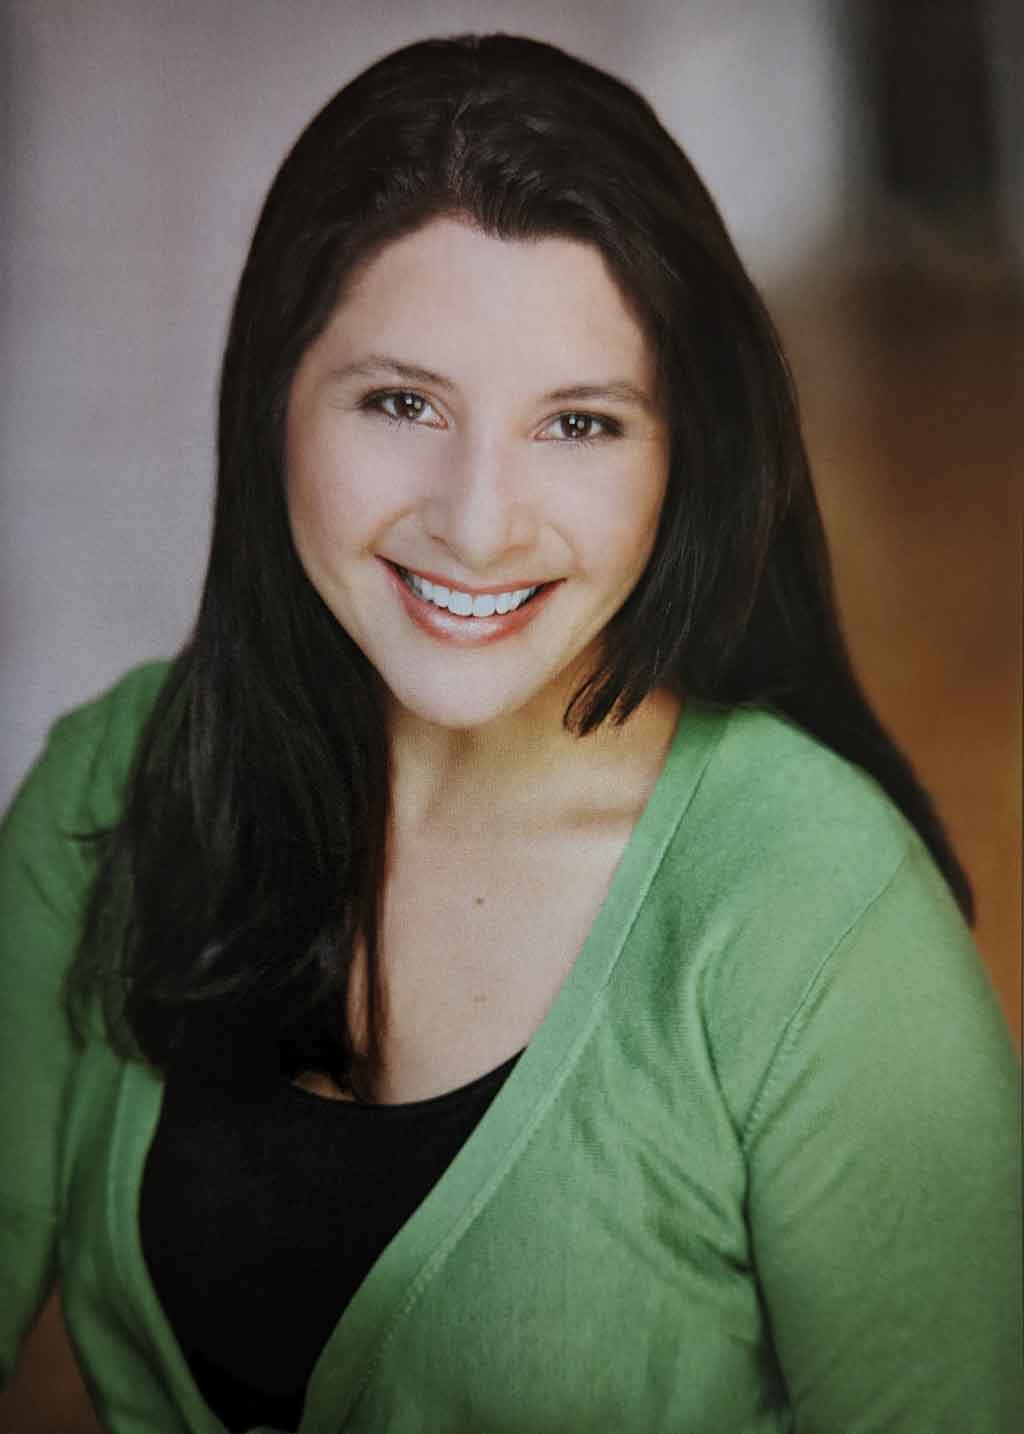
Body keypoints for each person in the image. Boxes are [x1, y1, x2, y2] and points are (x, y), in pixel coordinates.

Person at [0, 32, 1019, 1434]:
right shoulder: (105, 790)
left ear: (685, 456)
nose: (477, 520)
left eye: (581, 424)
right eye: (402, 401)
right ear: (272, 404)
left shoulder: (826, 932)